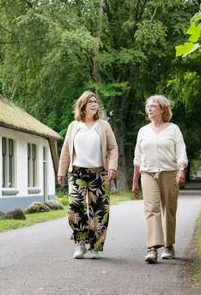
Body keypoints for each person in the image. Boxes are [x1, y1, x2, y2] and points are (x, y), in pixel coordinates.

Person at [58, 91, 118, 259]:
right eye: (89, 102)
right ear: (82, 105)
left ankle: (95, 247)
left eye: (95, 102)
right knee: (75, 206)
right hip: (77, 172)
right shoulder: (73, 126)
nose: (93, 104)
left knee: (100, 209)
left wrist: (112, 168)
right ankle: (80, 242)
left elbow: (113, 148)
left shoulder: (104, 125)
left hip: (99, 173)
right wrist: (61, 172)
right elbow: (66, 151)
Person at [132, 95, 188, 263]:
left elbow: (181, 152)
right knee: (151, 210)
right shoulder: (143, 131)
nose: (149, 109)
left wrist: (181, 170)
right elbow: (137, 158)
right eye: (148, 106)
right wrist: (135, 181)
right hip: (148, 173)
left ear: (163, 109)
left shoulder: (173, 129)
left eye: (153, 106)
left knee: (169, 211)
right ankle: (152, 248)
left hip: (169, 172)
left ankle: (168, 245)